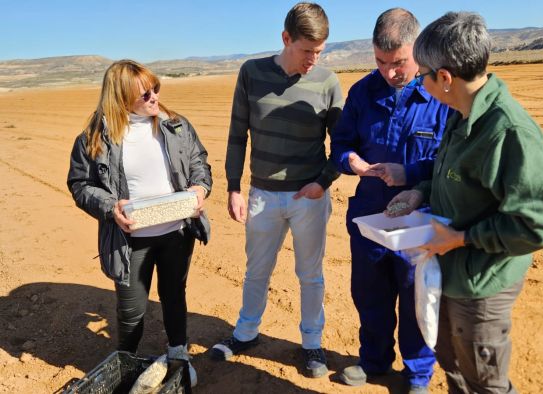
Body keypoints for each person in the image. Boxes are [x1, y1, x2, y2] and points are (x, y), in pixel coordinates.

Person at [387, 12, 543, 393]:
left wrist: (460, 239)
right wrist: (421, 191)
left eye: (423, 75)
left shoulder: (508, 132)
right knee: (454, 366)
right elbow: (446, 170)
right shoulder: (461, 112)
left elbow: (540, 224)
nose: (420, 82)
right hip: (453, 270)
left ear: (445, 78)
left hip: (482, 283)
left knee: (484, 382)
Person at [209, 2, 343, 378]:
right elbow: (237, 134)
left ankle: (312, 343)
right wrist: (233, 187)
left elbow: (342, 143)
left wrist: (324, 181)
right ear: (286, 38)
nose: (313, 60)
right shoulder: (251, 73)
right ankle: (246, 332)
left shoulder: (328, 82)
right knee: (257, 270)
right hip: (262, 195)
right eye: (306, 51)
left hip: (309, 198)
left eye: (319, 52)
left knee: (310, 273)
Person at [67, 59, 212, 388]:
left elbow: (199, 162)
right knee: (131, 310)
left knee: (174, 293)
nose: (154, 98)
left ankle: (178, 352)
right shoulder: (94, 138)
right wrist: (109, 207)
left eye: (156, 89)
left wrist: (199, 188)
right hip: (129, 241)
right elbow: (80, 184)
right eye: (145, 94)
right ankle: (125, 360)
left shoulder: (176, 125)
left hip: (177, 232)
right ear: (120, 98)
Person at [330, 8, 451, 393]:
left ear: (417, 50)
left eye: (398, 62)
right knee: (370, 293)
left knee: (417, 299)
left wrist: (409, 174)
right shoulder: (363, 92)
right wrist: (351, 161)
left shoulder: (439, 95)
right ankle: (374, 361)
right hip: (369, 215)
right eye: (381, 62)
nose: (389, 72)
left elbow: (452, 161)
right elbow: (341, 144)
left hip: (420, 218)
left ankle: (417, 374)